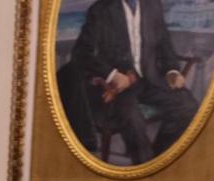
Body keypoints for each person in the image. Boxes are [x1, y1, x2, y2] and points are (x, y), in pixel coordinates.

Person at [57, 0, 199, 164]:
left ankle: (158, 159)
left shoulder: (152, 5)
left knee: (188, 106)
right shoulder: (101, 9)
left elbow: (164, 44)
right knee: (131, 118)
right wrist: (112, 74)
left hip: (150, 80)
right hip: (119, 86)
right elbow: (81, 53)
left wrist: (172, 71)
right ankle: (144, 168)